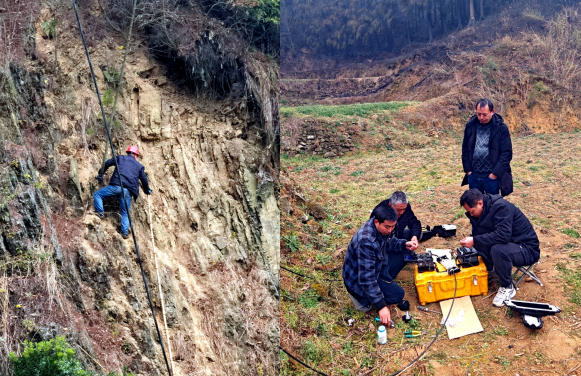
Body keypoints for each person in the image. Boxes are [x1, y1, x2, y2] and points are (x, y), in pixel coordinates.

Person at [459, 189, 540, 307]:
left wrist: (475, 240)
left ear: (480, 203)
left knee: (498, 249)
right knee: (483, 241)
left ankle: (507, 287)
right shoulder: (482, 211)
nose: (471, 215)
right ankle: (492, 271)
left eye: (472, 211)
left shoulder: (501, 208)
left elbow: (503, 236)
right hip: (512, 244)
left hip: (527, 248)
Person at [343, 204, 418, 326]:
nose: (390, 230)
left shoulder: (382, 228)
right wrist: (381, 306)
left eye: (393, 227)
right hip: (358, 281)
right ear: (377, 222)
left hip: (377, 266)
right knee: (398, 295)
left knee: (405, 252)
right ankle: (363, 300)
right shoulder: (366, 241)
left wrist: (405, 244)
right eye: (387, 227)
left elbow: (390, 242)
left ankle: (385, 283)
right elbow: (366, 279)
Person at [94, 146, 151, 239]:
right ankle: (124, 233)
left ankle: (100, 213)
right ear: (136, 155)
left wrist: (100, 173)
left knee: (98, 195)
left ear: (128, 152)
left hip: (116, 186)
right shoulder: (139, 166)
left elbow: (107, 163)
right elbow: (144, 179)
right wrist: (147, 189)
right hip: (128, 191)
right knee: (125, 212)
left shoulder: (120, 158)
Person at [461, 98, 513, 196]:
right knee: (476, 207)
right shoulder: (470, 126)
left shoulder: (501, 128)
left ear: (492, 112)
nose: (481, 117)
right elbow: (465, 149)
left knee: (493, 207)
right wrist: (468, 171)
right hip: (473, 176)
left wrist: (494, 174)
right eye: (479, 114)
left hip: (491, 177)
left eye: (484, 114)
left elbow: (507, 153)